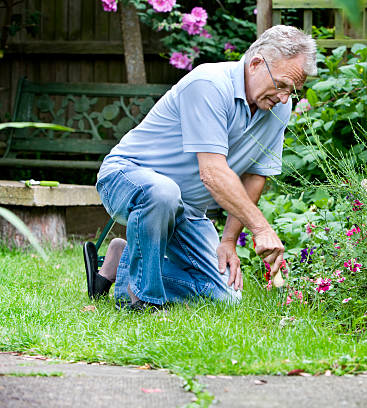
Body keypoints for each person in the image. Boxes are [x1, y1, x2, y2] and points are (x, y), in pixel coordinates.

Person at [83, 25, 317, 310]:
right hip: (126, 178)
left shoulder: (278, 106)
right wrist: (261, 228)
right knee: (163, 192)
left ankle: (121, 264)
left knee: (225, 296)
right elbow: (213, 173)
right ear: (256, 63)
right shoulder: (208, 84)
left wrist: (229, 240)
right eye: (281, 85)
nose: (284, 97)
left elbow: (256, 174)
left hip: (188, 209)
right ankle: (145, 301)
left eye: (292, 90)